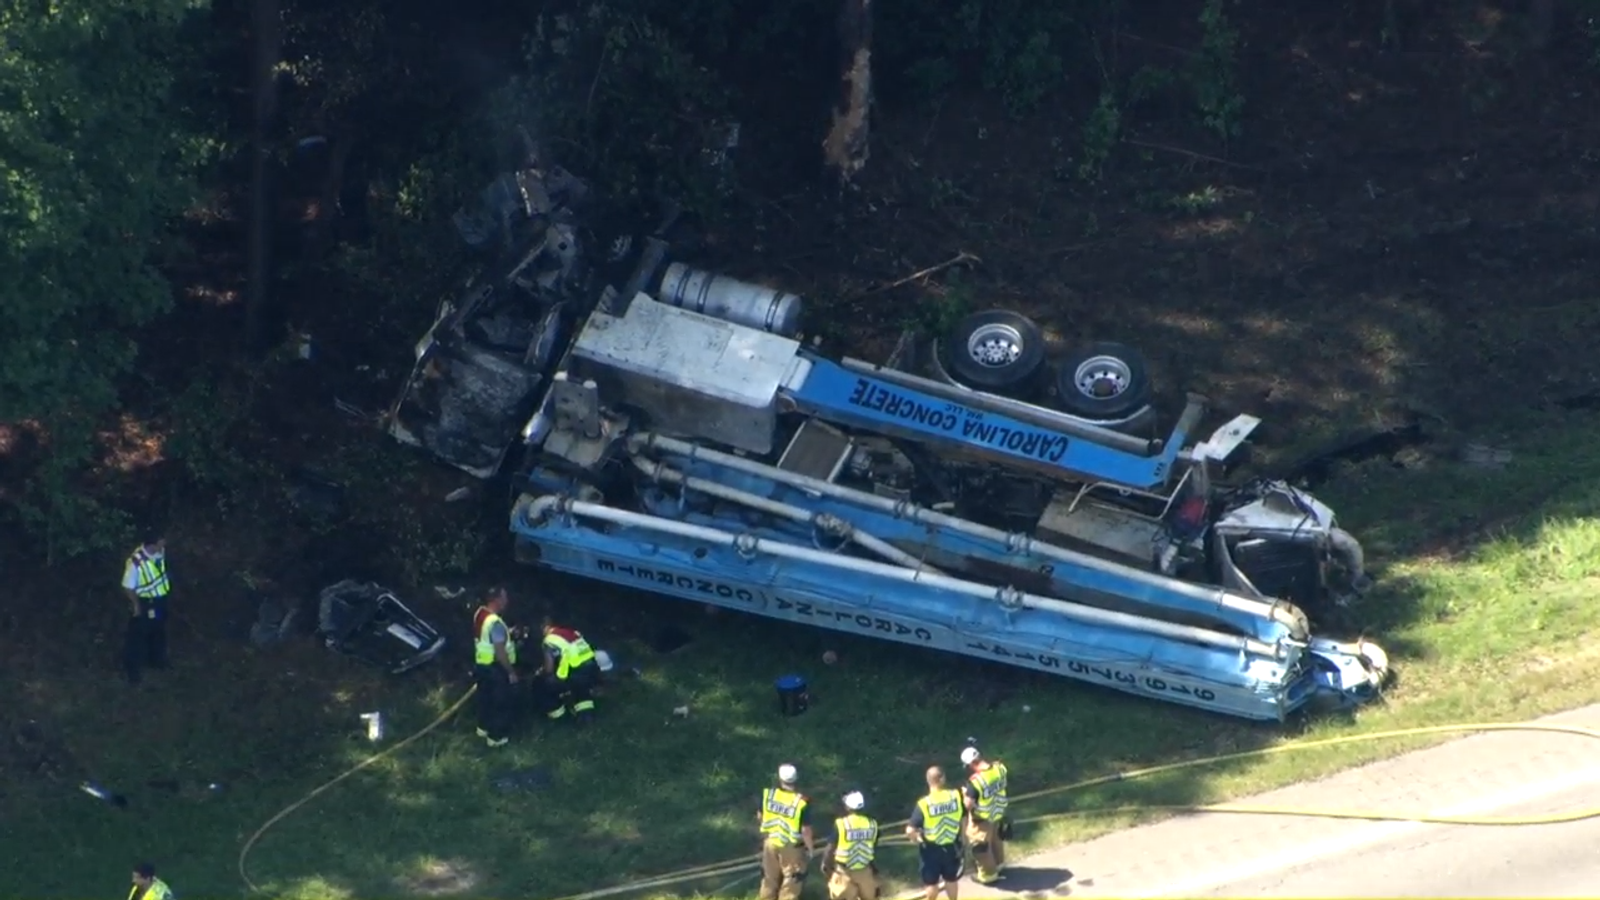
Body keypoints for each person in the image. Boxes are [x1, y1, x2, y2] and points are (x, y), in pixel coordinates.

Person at [757, 763, 816, 900]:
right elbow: (805, 830)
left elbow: (761, 816)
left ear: (779, 778)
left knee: (769, 877)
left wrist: (767, 834)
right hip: (791, 846)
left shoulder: (769, 795)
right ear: (796, 779)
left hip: (770, 841)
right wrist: (810, 849)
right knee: (792, 880)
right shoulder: (801, 802)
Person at [906, 766, 965, 900]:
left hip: (930, 850)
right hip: (952, 845)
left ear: (928, 781)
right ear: (943, 779)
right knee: (951, 878)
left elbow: (910, 830)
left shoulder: (924, 804)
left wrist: (916, 839)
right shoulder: (955, 796)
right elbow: (964, 815)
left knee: (931, 883)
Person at [472, 587, 520, 747]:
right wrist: (511, 672)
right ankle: (496, 739)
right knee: (499, 703)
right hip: (496, 668)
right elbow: (500, 651)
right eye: (504, 597)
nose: (507, 601)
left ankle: (483, 730)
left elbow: (486, 638)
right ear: (496, 600)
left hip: (481, 665)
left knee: (484, 700)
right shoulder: (495, 623)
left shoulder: (480, 614)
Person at [121, 532, 171, 685]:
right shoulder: (136, 563)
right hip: (145, 602)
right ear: (152, 544)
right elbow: (128, 587)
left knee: (158, 632)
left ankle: (157, 661)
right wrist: (136, 605)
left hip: (159, 600)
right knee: (137, 638)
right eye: (161, 541)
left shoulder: (159, 553)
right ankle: (133, 673)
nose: (165, 544)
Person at [961, 746, 1010, 885]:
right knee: (996, 839)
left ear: (971, 764)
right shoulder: (1000, 768)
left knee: (979, 846)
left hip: (982, 817)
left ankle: (988, 875)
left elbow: (968, 805)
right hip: (998, 812)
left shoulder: (975, 782)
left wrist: (965, 794)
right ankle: (999, 864)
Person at [539, 616, 599, 724]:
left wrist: (542, 673)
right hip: (592, 669)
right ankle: (587, 716)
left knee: (544, 685)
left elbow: (549, 668)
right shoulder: (571, 632)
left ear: (544, 627)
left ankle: (560, 718)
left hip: (575, 672)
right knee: (581, 689)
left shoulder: (549, 639)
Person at [825, 790, 880, 900]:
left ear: (848, 807)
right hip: (865, 870)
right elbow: (872, 848)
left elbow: (830, 848)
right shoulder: (873, 825)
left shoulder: (841, 824)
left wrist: (825, 864)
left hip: (844, 872)